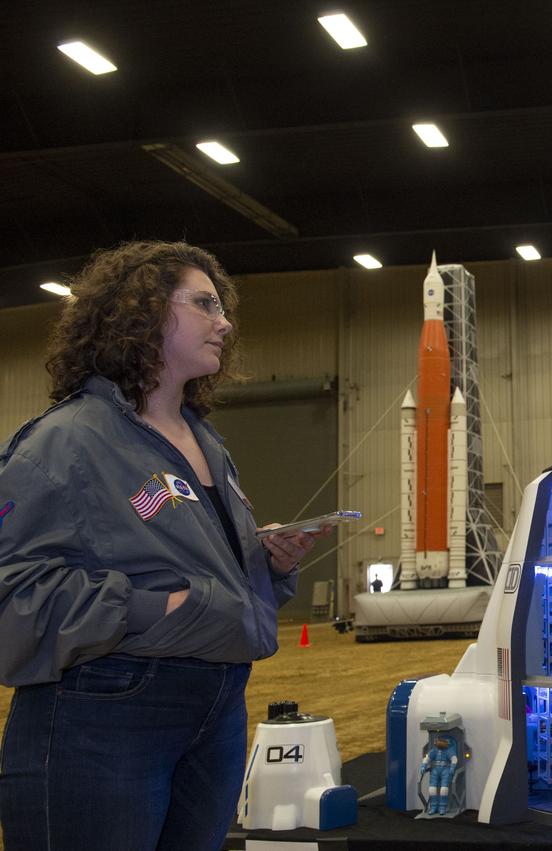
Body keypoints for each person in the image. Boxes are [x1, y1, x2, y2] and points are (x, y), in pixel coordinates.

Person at [0, 241, 324, 851]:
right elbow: (14, 592)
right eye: (204, 304)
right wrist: (159, 608)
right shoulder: (64, 442)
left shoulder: (206, 442)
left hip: (216, 707)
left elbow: (193, 566)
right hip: (105, 712)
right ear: (142, 312)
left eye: (221, 306)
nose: (224, 321)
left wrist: (264, 564)